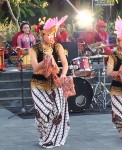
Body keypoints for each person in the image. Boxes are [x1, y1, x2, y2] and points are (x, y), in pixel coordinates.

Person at [29, 15, 70, 148]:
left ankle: (52, 137)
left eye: (53, 34)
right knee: (42, 111)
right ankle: (45, 135)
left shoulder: (58, 46)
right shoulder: (34, 49)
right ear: (41, 34)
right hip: (38, 84)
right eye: (48, 35)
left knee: (57, 110)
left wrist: (63, 75)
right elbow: (35, 68)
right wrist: (47, 59)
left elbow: (65, 64)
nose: (51, 37)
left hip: (55, 83)